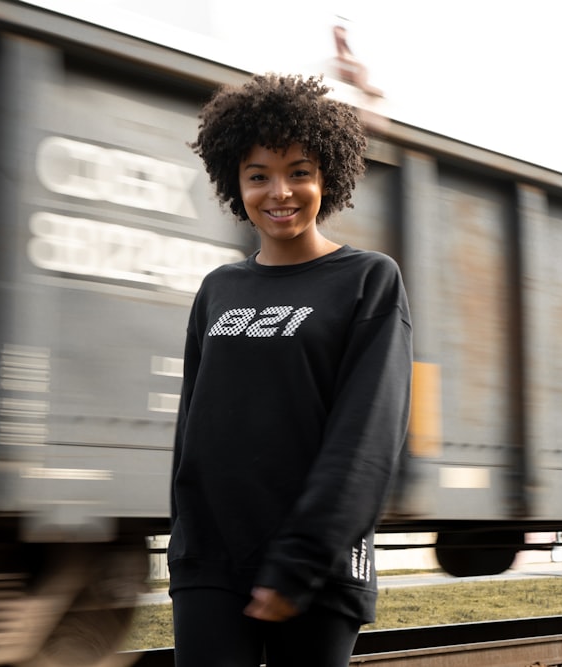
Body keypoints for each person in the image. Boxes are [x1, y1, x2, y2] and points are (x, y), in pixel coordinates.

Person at [168, 73, 412, 667]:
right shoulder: (218, 289)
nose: (280, 192)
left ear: (327, 176)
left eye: (299, 171)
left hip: (318, 564)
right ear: (236, 183)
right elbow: (191, 430)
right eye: (259, 176)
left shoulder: (367, 281)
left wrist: (301, 559)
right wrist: (185, 549)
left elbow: (367, 437)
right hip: (213, 561)